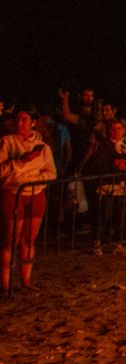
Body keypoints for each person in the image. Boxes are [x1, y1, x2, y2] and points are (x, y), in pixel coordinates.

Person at [2, 110, 58, 295]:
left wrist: (33, 178)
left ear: (33, 122)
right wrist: (20, 162)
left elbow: (51, 172)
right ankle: (5, 283)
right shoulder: (6, 142)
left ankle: (26, 280)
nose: (19, 123)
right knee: (10, 241)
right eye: (17, 119)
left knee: (29, 240)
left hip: (36, 194)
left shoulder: (42, 146)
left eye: (24, 120)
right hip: (13, 193)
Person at [83, 117, 126, 252]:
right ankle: (97, 243)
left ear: (124, 130)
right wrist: (114, 164)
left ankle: (118, 243)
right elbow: (97, 163)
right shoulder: (104, 145)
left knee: (121, 215)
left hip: (123, 185)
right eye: (113, 129)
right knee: (103, 215)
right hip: (107, 185)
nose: (116, 131)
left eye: (119, 128)